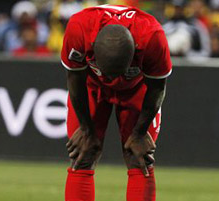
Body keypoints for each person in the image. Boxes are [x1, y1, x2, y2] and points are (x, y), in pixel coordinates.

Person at [61, 5, 172, 201]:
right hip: (91, 85)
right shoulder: (78, 29)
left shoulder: (152, 37)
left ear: (134, 53)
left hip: (136, 87)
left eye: (118, 71)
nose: (112, 79)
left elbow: (157, 87)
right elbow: (74, 78)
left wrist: (139, 133)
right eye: (107, 72)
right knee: (83, 154)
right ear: (92, 48)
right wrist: (87, 129)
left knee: (139, 157)